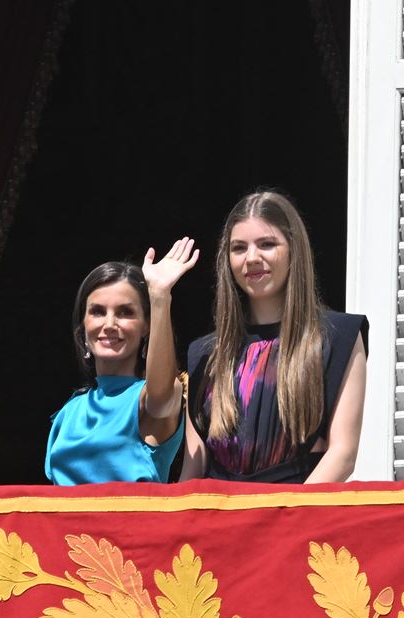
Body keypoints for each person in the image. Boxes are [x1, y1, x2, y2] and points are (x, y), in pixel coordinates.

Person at [181, 190, 368, 483]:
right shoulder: (204, 353)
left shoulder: (338, 337)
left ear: (294, 249)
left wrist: (284, 521)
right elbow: (193, 469)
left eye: (267, 244)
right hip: (219, 520)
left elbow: (343, 454)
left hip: (298, 518)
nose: (252, 258)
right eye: (239, 248)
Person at [45, 239, 198, 485]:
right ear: (83, 327)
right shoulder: (69, 412)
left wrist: (159, 295)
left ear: (146, 327)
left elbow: (160, 397)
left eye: (126, 312)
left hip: (129, 524)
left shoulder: (149, 401)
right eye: (97, 312)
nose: (109, 324)